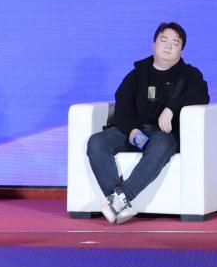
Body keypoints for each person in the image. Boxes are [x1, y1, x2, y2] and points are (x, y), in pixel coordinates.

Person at [85, 22, 210, 223]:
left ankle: (121, 197)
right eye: (164, 40)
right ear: (154, 44)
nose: (168, 46)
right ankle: (119, 203)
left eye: (175, 43)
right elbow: (122, 104)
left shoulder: (189, 75)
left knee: (160, 144)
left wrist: (171, 108)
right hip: (135, 130)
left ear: (181, 50)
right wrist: (132, 130)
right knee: (97, 142)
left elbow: (201, 94)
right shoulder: (138, 73)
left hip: (165, 134)